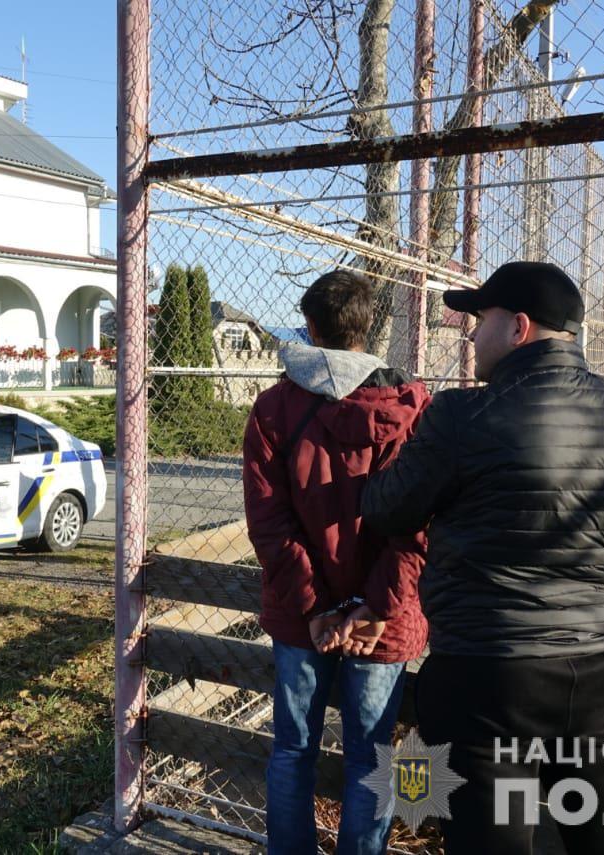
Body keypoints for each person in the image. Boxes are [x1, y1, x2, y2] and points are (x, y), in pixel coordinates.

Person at [361, 261, 604, 855]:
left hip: (483, 674)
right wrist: (592, 595)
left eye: (480, 319)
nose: (470, 333)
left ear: (519, 327)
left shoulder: (459, 417)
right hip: (598, 671)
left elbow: (386, 511)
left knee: (486, 840)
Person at [243, 269, 430, 854]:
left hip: (304, 618)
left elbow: (269, 523)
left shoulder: (274, 410)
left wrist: (318, 608)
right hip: (384, 619)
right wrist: (374, 606)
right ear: (365, 328)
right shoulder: (414, 407)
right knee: (372, 757)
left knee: (293, 748)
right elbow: (420, 525)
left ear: (310, 326)